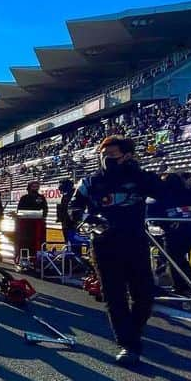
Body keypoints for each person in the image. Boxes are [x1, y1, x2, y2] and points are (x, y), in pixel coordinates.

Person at [70, 137, 163, 366]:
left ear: (127, 155)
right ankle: (128, 344)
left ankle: (133, 331)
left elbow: (163, 192)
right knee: (114, 295)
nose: (106, 159)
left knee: (145, 294)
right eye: (104, 155)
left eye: (112, 155)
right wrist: (86, 217)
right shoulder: (90, 181)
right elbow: (73, 208)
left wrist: (139, 174)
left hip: (136, 242)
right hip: (104, 244)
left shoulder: (140, 178)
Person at [154, 172, 191, 291]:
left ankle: (185, 284)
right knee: (176, 258)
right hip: (177, 231)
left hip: (183, 231)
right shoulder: (170, 195)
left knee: (176, 258)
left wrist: (181, 217)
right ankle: (185, 283)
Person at [14, 181, 48, 265]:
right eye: (34, 186)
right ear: (29, 187)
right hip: (25, 224)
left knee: (39, 240)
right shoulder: (24, 198)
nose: (35, 188)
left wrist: (43, 215)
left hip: (38, 223)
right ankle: (24, 258)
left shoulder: (41, 197)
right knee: (25, 240)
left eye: (37, 186)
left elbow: (45, 209)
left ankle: (38, 258)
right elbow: (19, 210)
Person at [56, 178, 79, 248]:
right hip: (65, 221)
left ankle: (75, 253)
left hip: (71, 221)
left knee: (74, 239)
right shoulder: (65, 195)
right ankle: (69, 251)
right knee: (67, 238)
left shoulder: (74, 195)